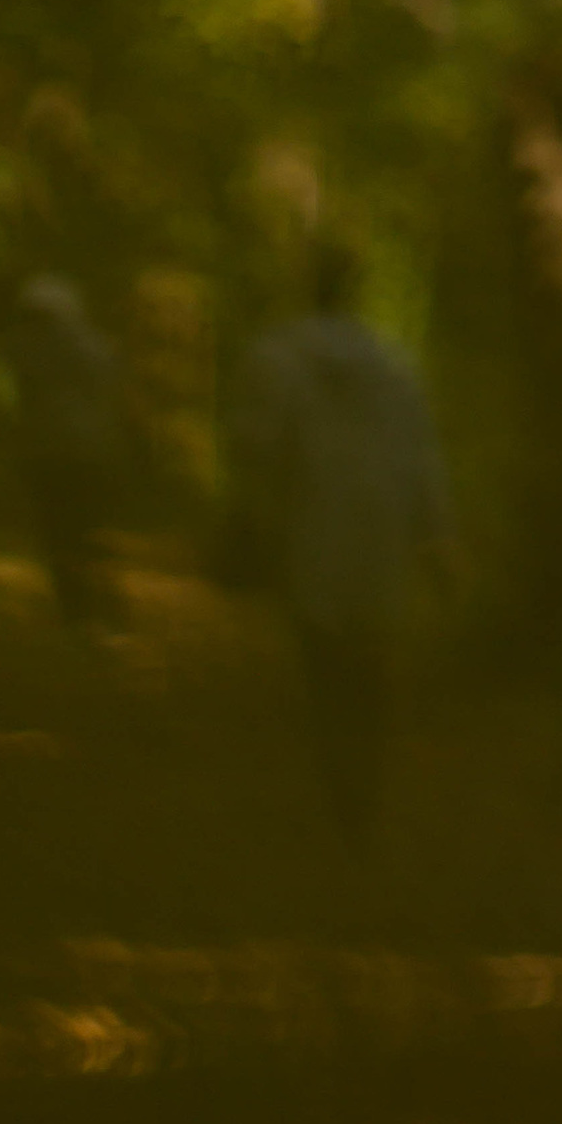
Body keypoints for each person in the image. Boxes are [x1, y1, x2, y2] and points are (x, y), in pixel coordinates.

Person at [225, 248, 454, 834]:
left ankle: (339, 782)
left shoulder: (277, 356)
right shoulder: (393, 365)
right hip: (381, 534)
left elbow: (256, 448)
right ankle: (363, 791)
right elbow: (423, 460)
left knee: (323, 658)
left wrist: (257, 521)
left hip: (312, 528)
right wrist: (437, 543)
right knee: (372, 658)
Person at [5, 273, 130, 628]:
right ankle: (89, 601)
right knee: (78, 528)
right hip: (84, 450)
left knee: (62, 529)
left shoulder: (27, 347)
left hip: (56, 451)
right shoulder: (92, 345)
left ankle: (81, 602)